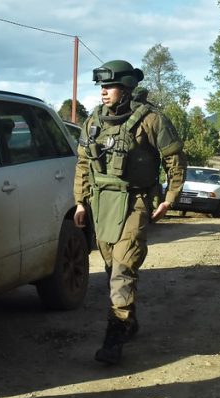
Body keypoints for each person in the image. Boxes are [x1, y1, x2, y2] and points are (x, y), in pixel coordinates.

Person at [73, 59, 187, 365]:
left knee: (123, 267)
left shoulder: (151, 120)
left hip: (135, 201)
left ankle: (114, 336)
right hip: (102, 203)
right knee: (112, 268)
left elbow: (174, 160)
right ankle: (129, 320)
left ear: (126, 89)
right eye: (101, 87)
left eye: (109, 87)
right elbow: (83, 163)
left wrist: (170, 198)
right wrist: (81, 202)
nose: (103, 93)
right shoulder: (93, 121)